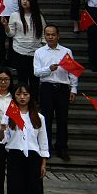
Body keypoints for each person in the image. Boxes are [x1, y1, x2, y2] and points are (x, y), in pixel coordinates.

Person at [0, 84, 49, 194]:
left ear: (30, 96)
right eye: (19, 94)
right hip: (15, 157)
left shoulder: (39, 117)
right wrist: (2, 129)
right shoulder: (9, 115)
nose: (22, 97)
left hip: (33, 158)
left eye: (25, 94)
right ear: (14, 96)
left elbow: (43, 142)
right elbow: (2, 139)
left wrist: (43, 163)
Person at [32, 24, 78, 161]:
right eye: (48, 34)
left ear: (58, 36)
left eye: (53, 34)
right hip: (47, 87)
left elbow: (73, 71)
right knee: (46, 119)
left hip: (63, 88)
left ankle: (62, 147)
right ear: (44, 36)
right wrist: (49, 69)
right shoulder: (39, 52)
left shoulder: (66, 51)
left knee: (62, 119)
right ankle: (46, 148)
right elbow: (36, 72)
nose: (50, 37)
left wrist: (74, 88)